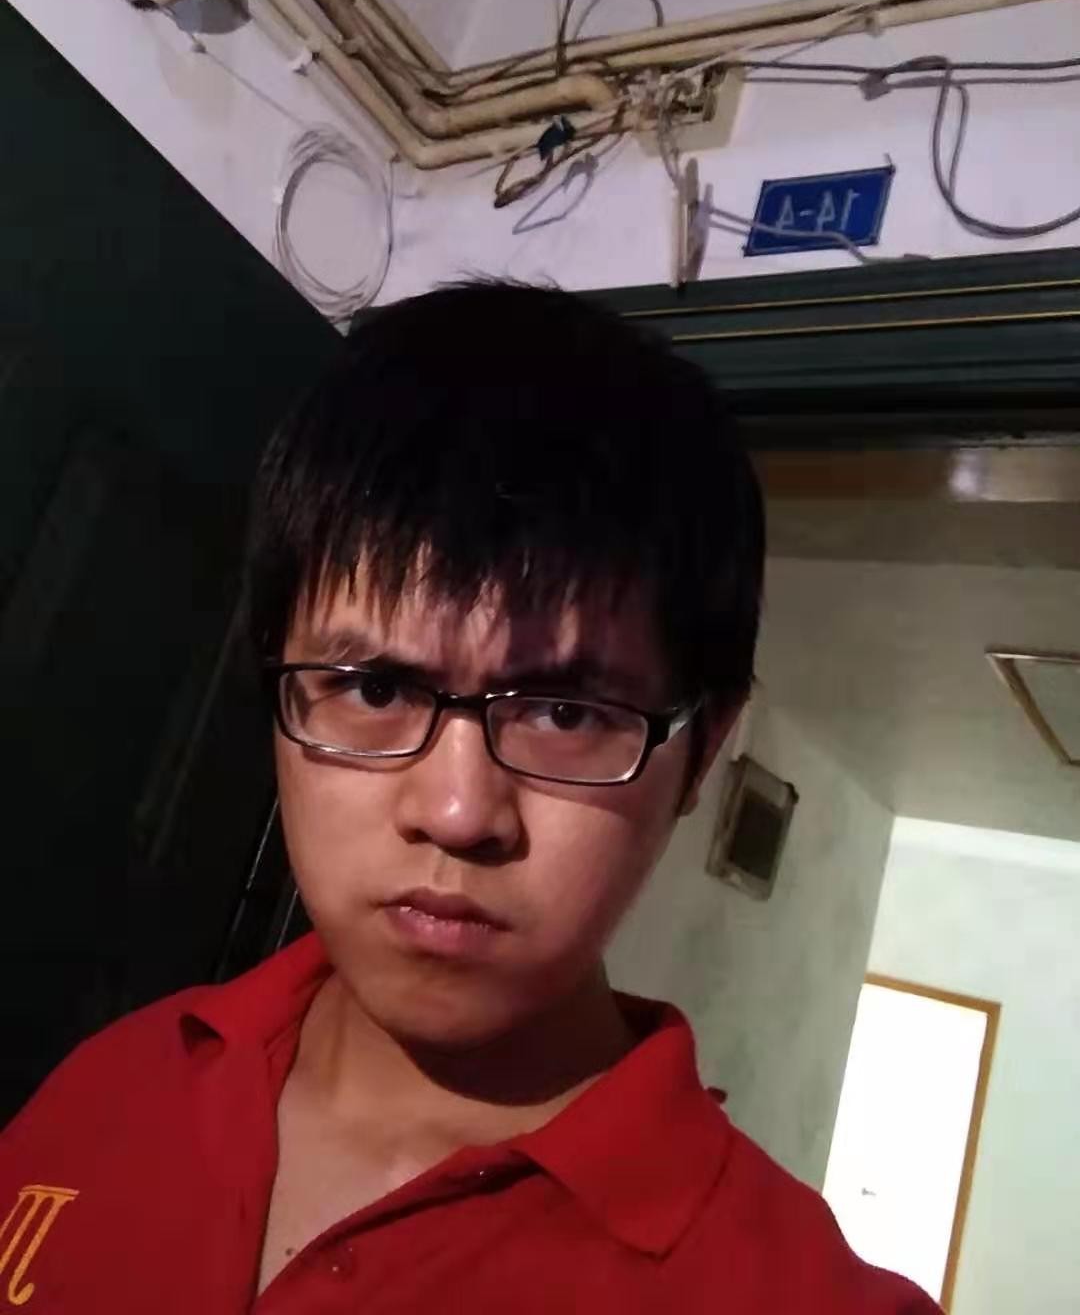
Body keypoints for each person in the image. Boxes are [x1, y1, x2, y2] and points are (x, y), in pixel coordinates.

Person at [0, 282, 938, 1313]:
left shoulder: (795, 1293)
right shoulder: (120, 1077)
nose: (456, 813)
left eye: (566, 713)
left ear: (702, 750)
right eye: (375, 689)